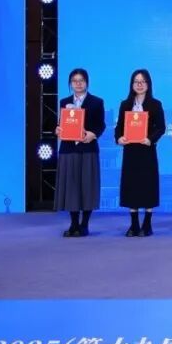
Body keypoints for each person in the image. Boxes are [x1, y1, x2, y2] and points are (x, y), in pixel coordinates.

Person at [114, 69, 166, 237]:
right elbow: (119, 128)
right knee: (132, 186)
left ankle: (147, 224)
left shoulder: (155, 104)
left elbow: (161, 127)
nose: (139, 84)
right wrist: (119, 138)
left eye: (143, 81)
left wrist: (150, 139)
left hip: (147, 150)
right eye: (136, 81)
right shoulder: (125, 104)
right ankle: (134, 224)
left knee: (147, 185)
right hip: (130, 151)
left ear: (148, 84)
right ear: (132, 84)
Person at [54, 68, 105, 237]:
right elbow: (62, 123)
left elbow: (101, 125)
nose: (78, 83)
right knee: (72, 187)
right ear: (70, 83)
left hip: (88, 149)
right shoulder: (64, 102)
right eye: (74, 81)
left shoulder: (96, 102)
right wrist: (58, 129)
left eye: (81, 80)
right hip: (68, 150)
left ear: (87, 82)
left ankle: (84, 224)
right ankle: (74, 223)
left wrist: (93, 134)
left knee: (87, 187)